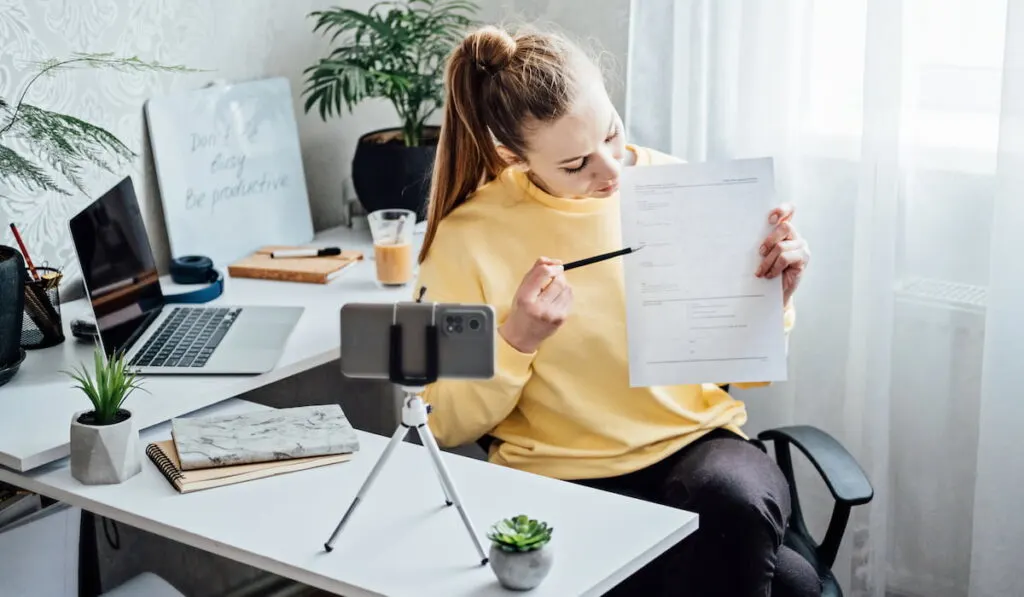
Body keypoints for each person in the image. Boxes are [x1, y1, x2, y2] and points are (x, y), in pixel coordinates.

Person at [415, 23, 815, 597]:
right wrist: (518, 338)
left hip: (696, 447)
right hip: (559, 475)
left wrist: (773, 299)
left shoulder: (678, 187)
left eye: (612, 135)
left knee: (733, 501)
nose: (610, 171)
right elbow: (445, 422)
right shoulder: (469, 238)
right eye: (576, 165)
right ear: (512, 156)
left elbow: (742, 374)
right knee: (794, 585)